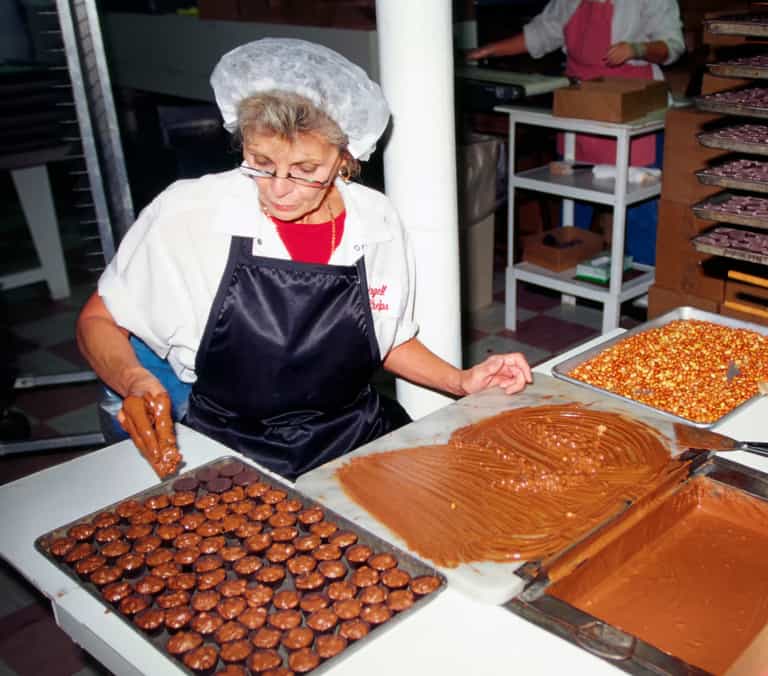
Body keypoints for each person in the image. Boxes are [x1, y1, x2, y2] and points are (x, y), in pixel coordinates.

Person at [77, 38, 532, 481]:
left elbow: (385, 337)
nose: (278, 188)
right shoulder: (191, 212)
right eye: (260, 161)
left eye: (305, 170)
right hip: (228, 450)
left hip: (352, 438)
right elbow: (98, 320)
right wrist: (134, 379)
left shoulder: (375, 220)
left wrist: (460, 382)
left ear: (345, 159)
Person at [468, 0, 684, 263]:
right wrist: (488, 51)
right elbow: (539, 34)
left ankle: (642, 293)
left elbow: (672, 45)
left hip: (633, 111)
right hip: (579, 110)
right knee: (573, 204)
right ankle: (569, 282)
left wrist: (637, 49)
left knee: (639, 209)